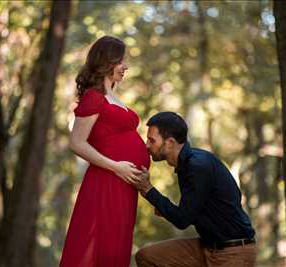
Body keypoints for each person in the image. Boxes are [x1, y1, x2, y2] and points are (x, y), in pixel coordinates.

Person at [59, 36, 150, 267]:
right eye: (121, 61)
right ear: (106, 61)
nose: (125, 66)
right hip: (106, 181)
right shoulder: (93, 98)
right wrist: (116, 166)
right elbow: (77, 143)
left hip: (125, 185)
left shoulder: (113, 98)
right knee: (101, 247)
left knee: (117, 248)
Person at [130, 112, 257, 267]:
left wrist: (148, 189)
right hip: (207, 246)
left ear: (170, 142)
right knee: (147, 257)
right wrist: (165, 209)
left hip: (233, 250)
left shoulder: (197, 166)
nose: (147, 145)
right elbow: (190, 212)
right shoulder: (186, 165)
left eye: (151, 140)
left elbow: (182, 220)